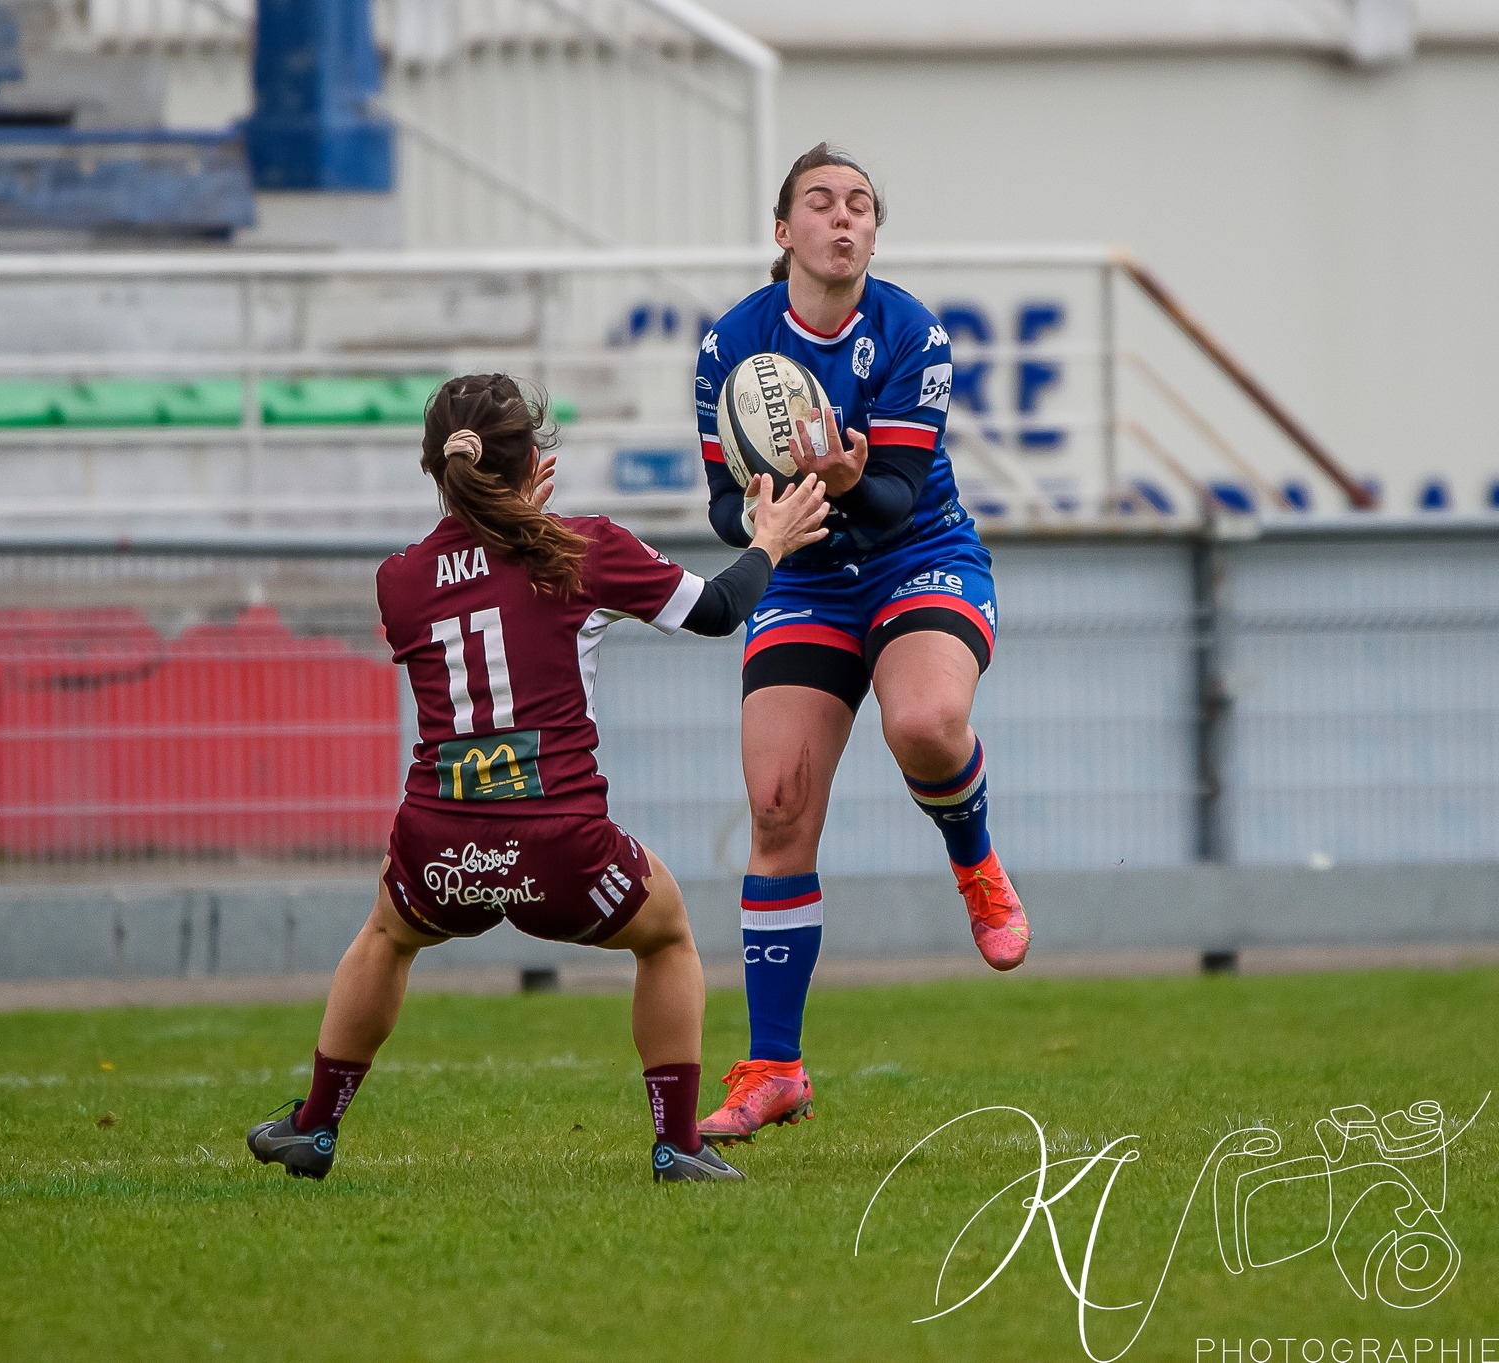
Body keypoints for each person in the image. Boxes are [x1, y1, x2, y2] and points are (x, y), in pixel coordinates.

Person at [247, 373, 831, 1184]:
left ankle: (315, 1127)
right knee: (665, 936)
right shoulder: (581, 548)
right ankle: (676, 1143)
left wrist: (511, 510)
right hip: (560, 847)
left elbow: (477, 576)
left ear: (435, 470)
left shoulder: (399, 581)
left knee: (386, 935)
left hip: (441, 845)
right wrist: (769, 541)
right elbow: (719, 610)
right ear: (532, 464)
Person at [691, 144, 1031, 1146]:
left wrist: (839, 477)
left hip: (915, 555)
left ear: (873, 233)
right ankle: (772, 1067)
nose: (842, 219)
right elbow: (718, 503)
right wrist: (753, 511)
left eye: (860, 206)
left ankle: (972, 860)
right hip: (799, 573)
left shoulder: (910, 331)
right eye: (819, 203)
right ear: (782, 229)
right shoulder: (731, 346)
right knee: (777, 805)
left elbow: (886, 507)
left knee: (924, 723)